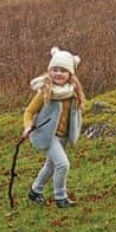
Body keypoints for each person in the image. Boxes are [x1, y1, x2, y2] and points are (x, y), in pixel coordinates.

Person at [21, 46, 85, 208]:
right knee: (63, 164)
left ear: (70, 74)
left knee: (51, 165)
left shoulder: (73, 92)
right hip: (47, 135)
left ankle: (35, 191)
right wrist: (28, 126)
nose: (58, 74)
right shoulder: (45, 91)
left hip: (63, 135)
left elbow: (76, 113)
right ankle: (60, 197)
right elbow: (29, 111)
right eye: (55, 70)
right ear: (50, 71)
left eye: (63, 71)